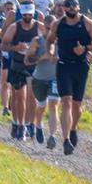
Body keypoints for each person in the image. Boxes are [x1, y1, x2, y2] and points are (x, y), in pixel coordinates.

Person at [48, 0, 92, 155]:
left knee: (77, 106)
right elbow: (50, 40)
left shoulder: (87, 23)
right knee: (66, 102)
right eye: (68, 5)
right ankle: (66, 140)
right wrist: (51, 53)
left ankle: (72, 129)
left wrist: (85, 48)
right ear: (64, 8)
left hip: (81, 66)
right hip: (63, 66)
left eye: (74, 5)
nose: (71, 7)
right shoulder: (58, 24)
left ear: (78, 7)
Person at [0, 0, 44, 140]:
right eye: (24, 15)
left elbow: (50, 43)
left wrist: (39, 51)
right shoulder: (14, 25)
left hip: (33, 64)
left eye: (29, 15)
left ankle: (29, 124)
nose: (27, 17)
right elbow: (3, 44)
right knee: (19, 96)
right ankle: (18, 124)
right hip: (17, 63)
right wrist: (15, 47)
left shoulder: (39, 25)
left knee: (32, 95)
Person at [26, 18, 61, 148]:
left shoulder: (62, 42)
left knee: (53, 104)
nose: (50, 31)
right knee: (41, 105)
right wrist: (42, 58)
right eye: (47, 28)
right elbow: (27, 61)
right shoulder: (37, 41)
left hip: (55, 79)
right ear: (43, 28)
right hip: (39, 79)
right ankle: (38, 125)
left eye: (53, 29)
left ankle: (52, 136)